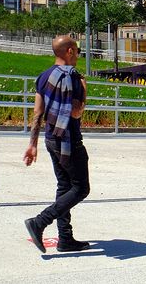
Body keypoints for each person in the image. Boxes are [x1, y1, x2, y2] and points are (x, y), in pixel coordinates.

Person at [23, 35, 90, 254]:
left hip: (51, 139)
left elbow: (37, 113)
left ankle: (65, 239)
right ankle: (40, 222)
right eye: (77, 50)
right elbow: (76, 112)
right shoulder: (73, 78)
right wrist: (84, 89)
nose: (79, 55)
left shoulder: (43, 77)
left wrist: (32, 144)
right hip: (69, 140)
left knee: (64, 187)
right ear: (69, 51)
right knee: (80, 188)